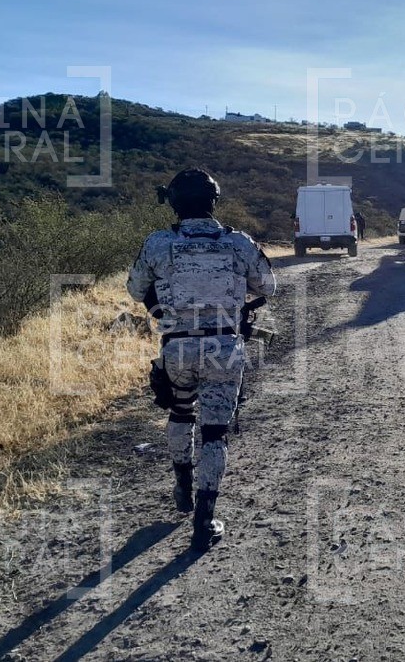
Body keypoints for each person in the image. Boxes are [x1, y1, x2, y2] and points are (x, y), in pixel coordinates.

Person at [127, 168, 276, 550]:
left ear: (174, 202)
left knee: (179, 412)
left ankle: (182, 482)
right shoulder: (238, 243)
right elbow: (268, 286)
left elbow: (135, 289)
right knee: (214, 432)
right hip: (225, 348)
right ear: (214, 201)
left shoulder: (158, 243)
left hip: (176, 347)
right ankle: (204, 521)